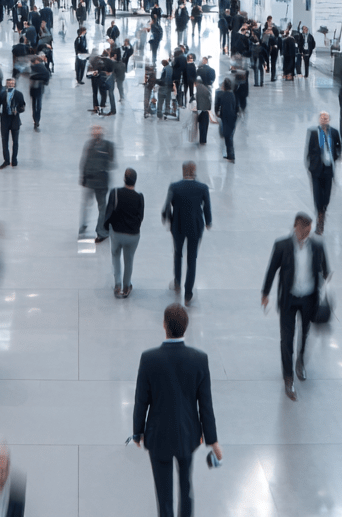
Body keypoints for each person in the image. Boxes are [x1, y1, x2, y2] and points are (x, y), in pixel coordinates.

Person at [132, 304, 221, 517]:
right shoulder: (199, 359)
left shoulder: (149, 359)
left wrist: (138, 431)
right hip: (187, 435)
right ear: (186, 327)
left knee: (164, 497)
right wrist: (212, 440)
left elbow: (141, 400)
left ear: (164, 325)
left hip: (158, 436)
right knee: (186, 488)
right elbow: (205, 404)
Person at [262, 212, 329, 401]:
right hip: (289, 300)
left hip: (308, 299)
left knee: (304, 333)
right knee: (286, 339)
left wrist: (325, 284)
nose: (306, 235)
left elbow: (325, 270)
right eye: (303, 231)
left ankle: (300, 360)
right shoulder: (282, 245)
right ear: (295, 227)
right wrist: (265, 293)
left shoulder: (317, 246)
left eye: (308, 231)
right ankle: (288, 377)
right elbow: (272, 269)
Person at [162, 161, 212, 306]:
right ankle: (188, 294)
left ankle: (177, 282)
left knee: (178, 254)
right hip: (195, 227)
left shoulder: (174, 187)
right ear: (194, 171)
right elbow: (207, 207)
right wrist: (208, 221)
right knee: (192, 259)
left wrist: (167, 218)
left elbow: (167, 206)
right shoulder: (202, 188)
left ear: (183, 171)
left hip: (178, 226)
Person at [103, 168, 143, 297]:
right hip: (132, 235)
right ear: (135, 181)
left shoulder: (115, 193)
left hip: (117, 233)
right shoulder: (139, 197)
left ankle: (117, 285)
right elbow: (140, 217)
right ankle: (126, 287)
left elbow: (108, 212)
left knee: (116, 257)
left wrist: (107, 227)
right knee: (129, 260)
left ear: (124, 179)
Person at [305, 112, 341, 235]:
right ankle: (320, 218)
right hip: (316, 170)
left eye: (326, 118)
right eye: (322, 118)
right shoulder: (314, 133)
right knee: (317, 195)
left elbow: (338, 147)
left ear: (329, 120)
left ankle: (323, 211)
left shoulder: (334, 132)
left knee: (326, 196)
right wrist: (310, 165)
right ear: (319, 120)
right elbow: (309, 150)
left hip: (328, 169)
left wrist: (334, 157)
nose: (324, 119)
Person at [79, 125, 115, 242]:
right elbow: (111, 163)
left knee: (87, 205)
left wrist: (83, 178)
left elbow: (84, 162)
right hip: (101, 182)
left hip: (91, 182)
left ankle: (84, 226)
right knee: (101, 207)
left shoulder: (89, 145)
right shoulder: (108, 145)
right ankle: (100, 231)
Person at [0, 76, 25, 169]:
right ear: (6, 84)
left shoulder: (19, 94)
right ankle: (7, 160)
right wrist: (1, 114)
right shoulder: (2, 94)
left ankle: (14, 160)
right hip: (5, 120)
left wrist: (18, 110)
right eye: (9, 84)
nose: (11, 85)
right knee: (5, 141)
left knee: (15, 141)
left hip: (14, 120)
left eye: (12, 84)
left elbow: (23, 107)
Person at [213, 78, 238, 162]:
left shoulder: (222, 95)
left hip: (226, 117)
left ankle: (231, 155)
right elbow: (236, 107)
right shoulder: (233, 95)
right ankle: (229, 154)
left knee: (228, 137)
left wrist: (217, 113)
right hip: (232, 117)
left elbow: (217, 106)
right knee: (229, 136)